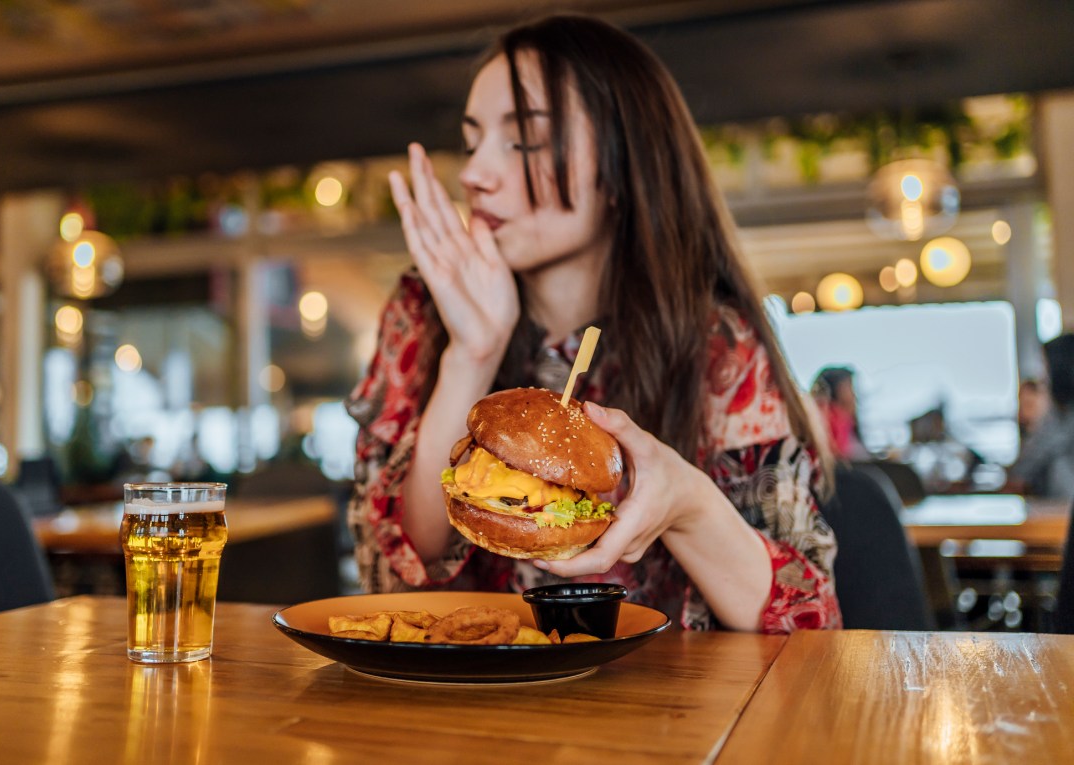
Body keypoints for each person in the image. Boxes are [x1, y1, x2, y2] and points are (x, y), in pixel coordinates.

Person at [345, 15, 839, 633]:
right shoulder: (423, 311)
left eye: (523, 139)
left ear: (620, 161)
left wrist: (685, 504)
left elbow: (806, 620)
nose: (474, 174)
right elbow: (390, 574)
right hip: (463, 703)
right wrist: (471, 353)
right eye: (473, 143)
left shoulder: (717, 343)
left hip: (675, 712)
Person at [1010, 334, 1074, 500]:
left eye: (1045, 368)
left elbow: (1021, 474)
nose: (1043, 377)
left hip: (1059, 514)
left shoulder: (1061, 418)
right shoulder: (1060, 415)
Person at [811, 366, 869, 462]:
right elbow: (840, 453)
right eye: (849, 387)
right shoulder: (829, 417)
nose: (854, 394)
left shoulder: (847, 420)